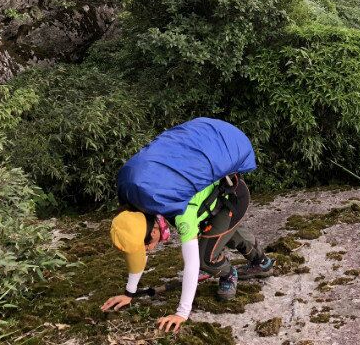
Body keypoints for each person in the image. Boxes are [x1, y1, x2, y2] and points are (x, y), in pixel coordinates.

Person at [100, 118, 275, 333]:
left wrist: (181, 313)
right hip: (210, 201)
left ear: (154, 230)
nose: (148, 250)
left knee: (204, 258)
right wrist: (129, 294)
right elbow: (138, 248)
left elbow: (191, 265)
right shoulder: (136, 203)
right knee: (218, 233)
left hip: (232, 198)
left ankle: (230, 273)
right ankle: (262, 262)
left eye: (148, 245)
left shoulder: (180, 213)